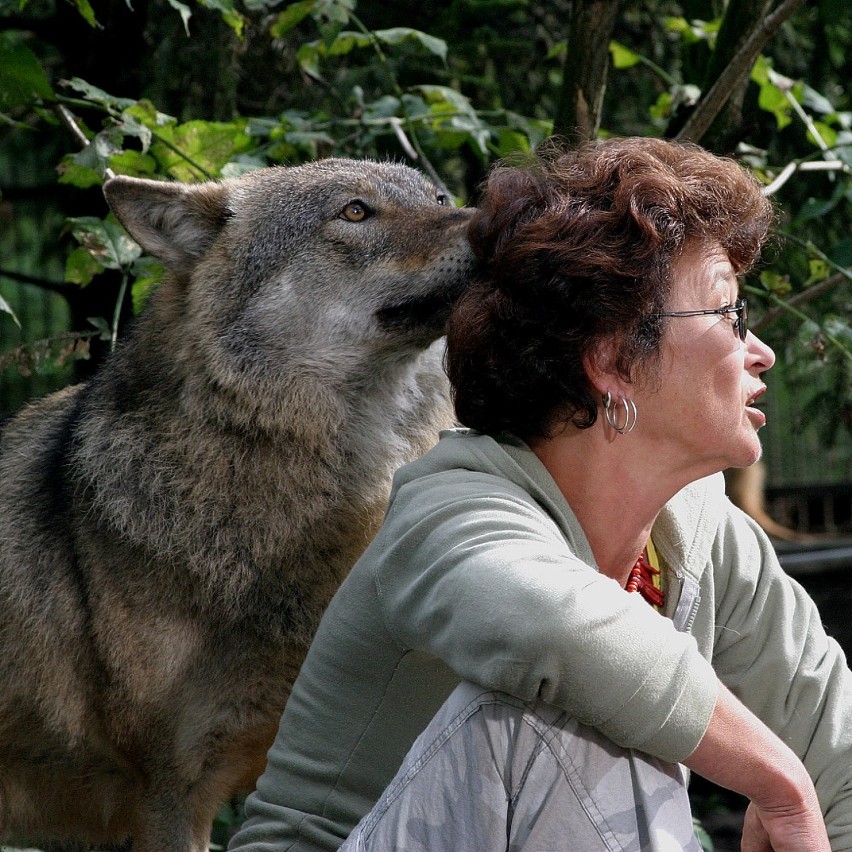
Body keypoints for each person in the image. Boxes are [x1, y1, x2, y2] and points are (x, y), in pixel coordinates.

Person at [228, 138, 852, 852]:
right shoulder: (452, 509)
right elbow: (556, 634)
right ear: (613, 360)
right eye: (726, 312)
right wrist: (777, 778)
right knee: (571, 712)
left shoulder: (703, 531)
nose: (759, 350)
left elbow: (835, 742)